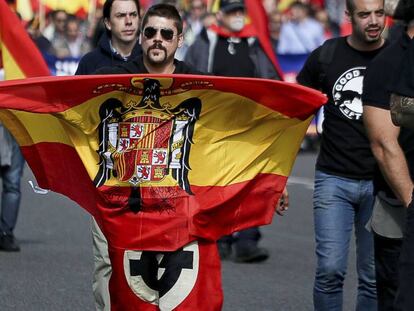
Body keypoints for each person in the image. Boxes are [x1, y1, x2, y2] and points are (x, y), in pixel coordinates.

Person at [296, 0, 387, 309]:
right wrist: (278, 174)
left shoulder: (399, 57)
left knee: (374, 277)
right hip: (333, 179)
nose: (373, 21)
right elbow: (294, 111)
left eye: (379, 13)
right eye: (365, 14)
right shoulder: (327, 55)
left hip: (382, 184)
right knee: (330, 271)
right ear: (348, 16)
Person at [184, 0, 283, 263]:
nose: (238, 16)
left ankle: (248, 240)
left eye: (241, 11)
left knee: (251, 183)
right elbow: (190, 73)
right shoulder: (207, 39)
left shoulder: (255, 42)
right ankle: (221, 238)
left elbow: (271, 77)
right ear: (220, 15)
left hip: (250, 125)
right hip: (214, 125)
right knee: (219, 182)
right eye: (232, 12)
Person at [75, 0, 141, 309]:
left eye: (133, 15)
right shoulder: (90, 65)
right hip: (105, 176)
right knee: (106, 258)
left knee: (144, 255)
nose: (128, 21)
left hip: (150, 177)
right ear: (108, 23)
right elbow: (76, 117)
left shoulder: (156, 58)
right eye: (121, 16)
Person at [362, 11, 414, 310]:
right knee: (398, 297)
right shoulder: (388, 63)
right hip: (398, 205)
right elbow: (383, 144)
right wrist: (411, 201)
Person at [0, 124, 25, 252]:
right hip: (13, 125)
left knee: (12, 186)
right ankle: (5, 234)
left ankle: (5, 234)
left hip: (13, 130)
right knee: (12, 186)